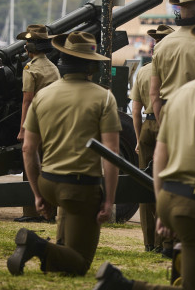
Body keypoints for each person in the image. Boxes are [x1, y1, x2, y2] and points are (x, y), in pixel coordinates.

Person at [92, 20, 195, 290]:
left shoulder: (179, 96)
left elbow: (159, 157)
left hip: (169, 197)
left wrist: (164, 211)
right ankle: (122, 286)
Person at [7, 31, 121, 277]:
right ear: (91, 65)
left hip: (49, 182)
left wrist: (37, 194)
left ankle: (53, 250)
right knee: (79, 264)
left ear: (63, 60)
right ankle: (36, 245)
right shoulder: (104, 98)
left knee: (67, 246)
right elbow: (111, 153)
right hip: (80, 187)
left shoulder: (43, 96)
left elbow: (28, 148)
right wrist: (109, 200)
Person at [129, 24, 175, 255]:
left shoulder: (145, 71)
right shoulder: (174, 69)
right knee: (169, 181)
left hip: (147, 126)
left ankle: (148, 241)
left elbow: (135, 111)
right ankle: (164, 240)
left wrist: (138, 139)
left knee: (144, 181)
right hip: (171, 123)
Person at [13, 24, 61, 223]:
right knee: (50, 165)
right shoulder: (53, 67)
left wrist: (23, 128)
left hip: (38, 122)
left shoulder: (30, 69)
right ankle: (52, 211)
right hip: (54, 122)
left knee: (32, 163)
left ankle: (33, 211)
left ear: (29, 48)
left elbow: (28, 100)